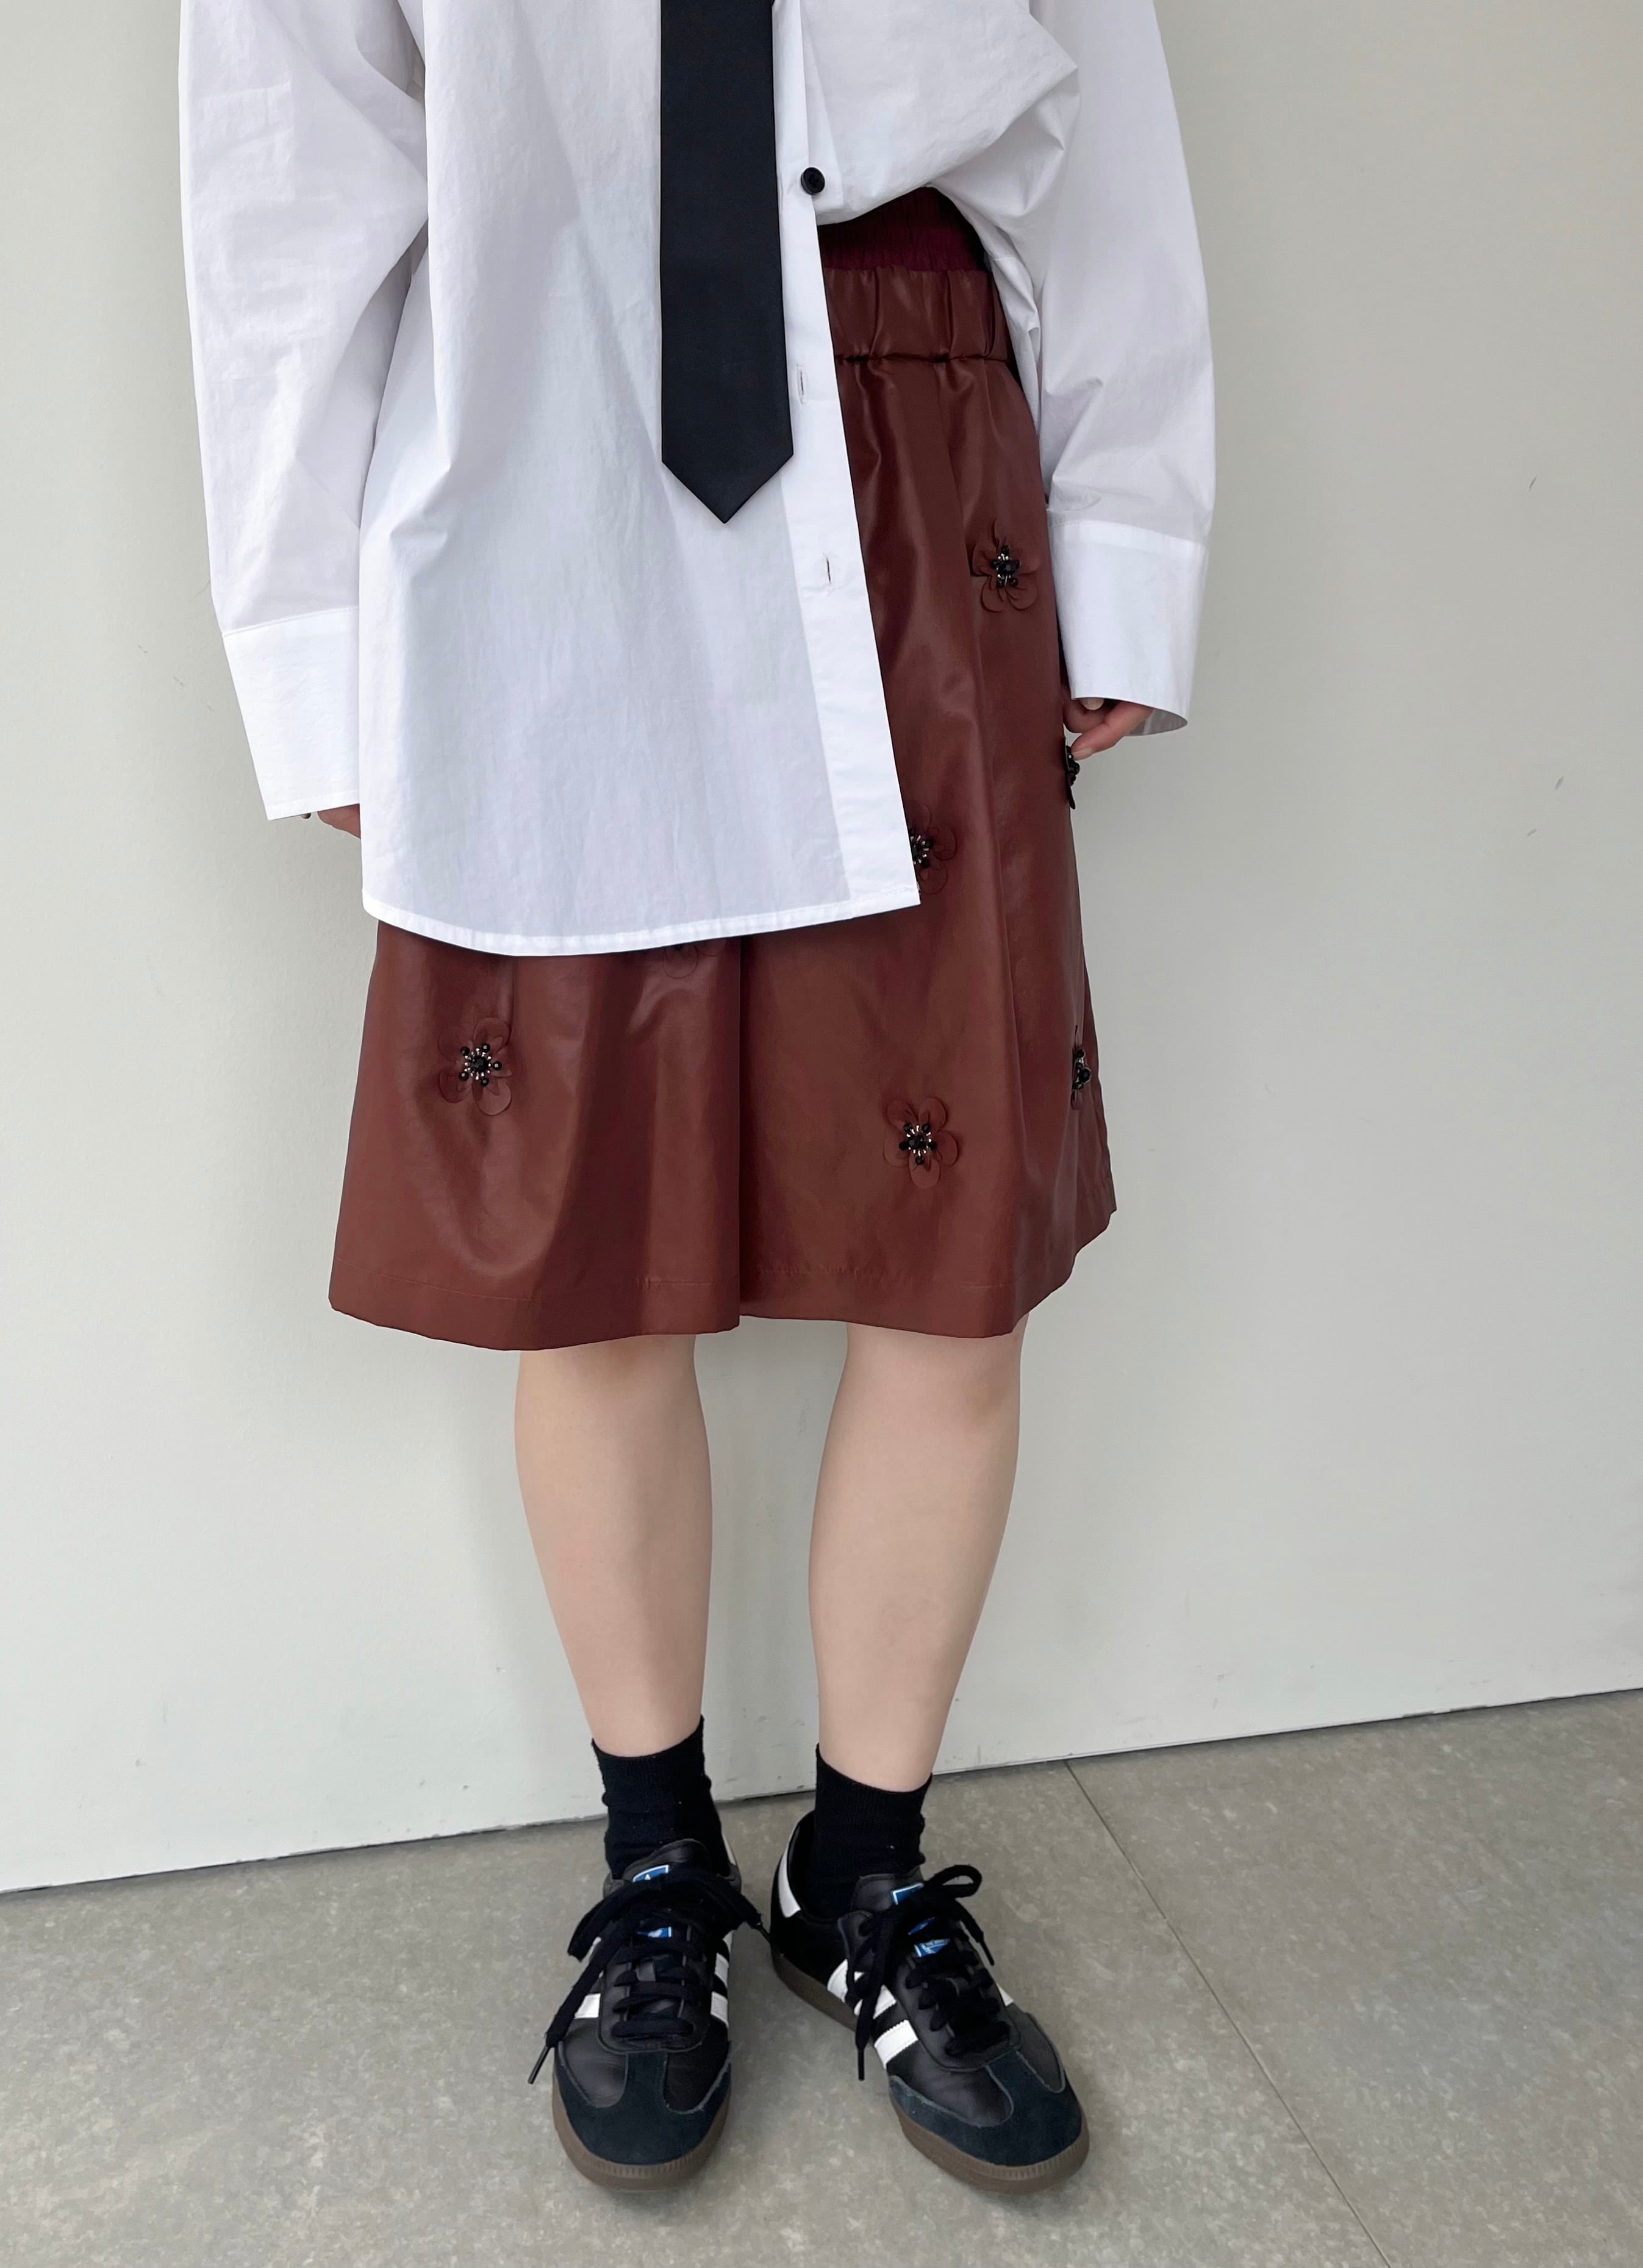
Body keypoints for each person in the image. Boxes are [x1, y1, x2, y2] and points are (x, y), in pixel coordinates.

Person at [180, 0, 1212, 2199]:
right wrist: (306, 650)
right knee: (594, 1260)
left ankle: (865, 1869)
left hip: (918, 423)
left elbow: (1099, 95)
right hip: (528, 419)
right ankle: (657, 1873)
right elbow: (289, 160)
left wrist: (1128, 523)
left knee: (947, 1262)